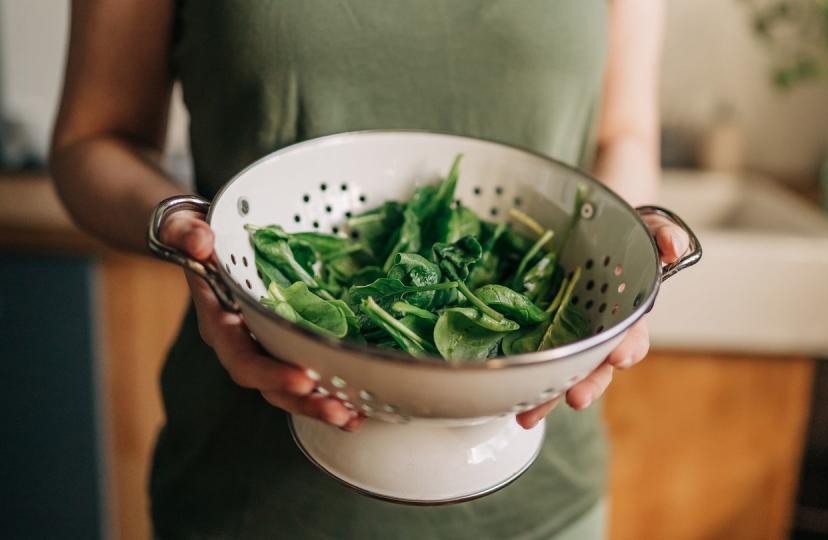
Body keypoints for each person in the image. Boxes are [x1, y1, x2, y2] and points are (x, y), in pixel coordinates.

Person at [51, 1, 685, 538]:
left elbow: (622, 132)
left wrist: (621, 243)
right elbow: (93, 141)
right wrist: (184, 229)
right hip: (247, 496)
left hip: (540, 501)